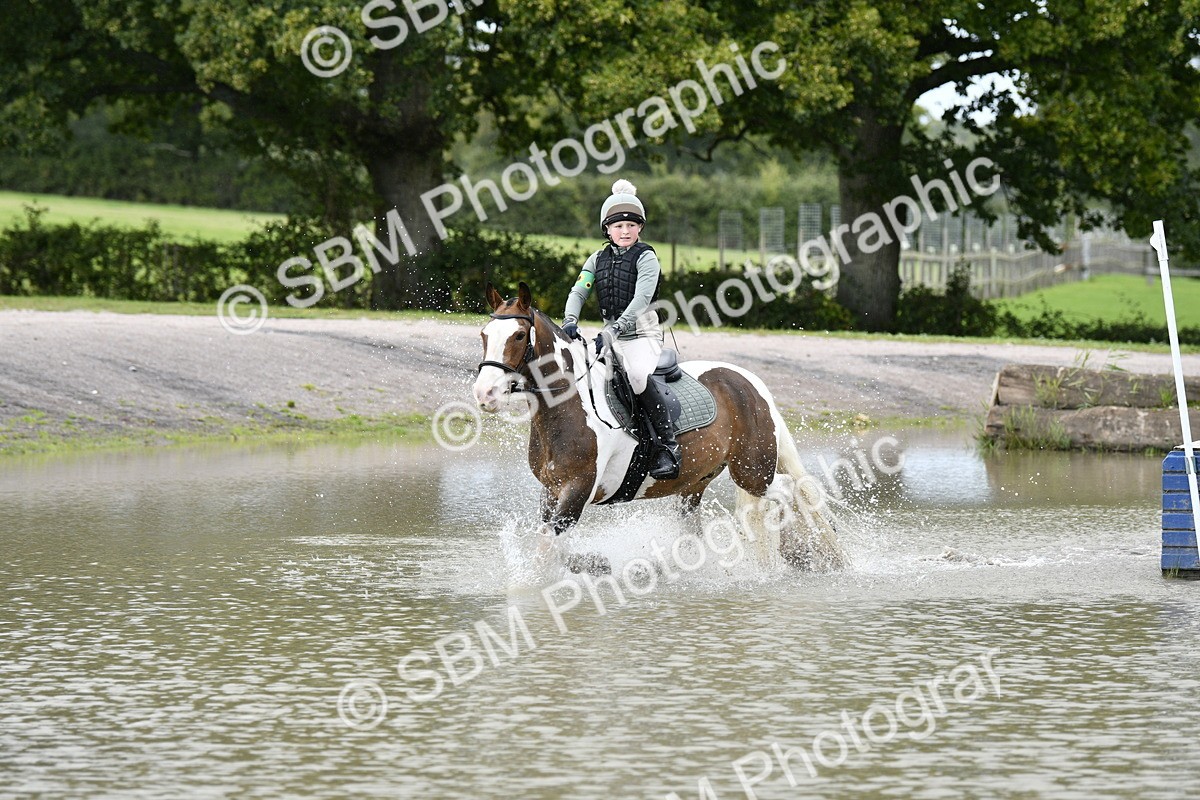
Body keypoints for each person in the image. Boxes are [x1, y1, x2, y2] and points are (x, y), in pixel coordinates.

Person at [562, 179, 681, 480]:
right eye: (618, 226)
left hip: (642, 335)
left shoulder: (647, 257)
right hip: (609, 336)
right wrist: (570, 320)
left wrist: (613, 331)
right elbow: (579, 291)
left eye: (631, 225)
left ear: (640, 228)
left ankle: (667, 447)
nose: (625, 231)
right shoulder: (596, 259)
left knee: (637, 376)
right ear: (607, 229)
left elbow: (641, 300)